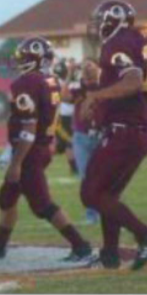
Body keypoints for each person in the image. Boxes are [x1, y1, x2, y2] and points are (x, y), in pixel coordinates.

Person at [0, 37, 92, 262]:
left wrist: (16, 162)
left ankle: (81, 246)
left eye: (23, 58)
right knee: (6, 199)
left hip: (29, 152)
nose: (18, 61)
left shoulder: (27, 83)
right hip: (40, 147)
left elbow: (28, 127)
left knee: (42, 205)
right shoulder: (50, 79)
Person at [80, 0, 147, 271]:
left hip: (124, 131)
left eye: (100, 20)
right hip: (132, 130)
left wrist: (95, 95)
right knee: (107, 194)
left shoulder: (118, 42)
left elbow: (132, 81)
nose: (96, 26)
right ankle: (109, 254)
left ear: (113, 20)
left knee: (92, 194)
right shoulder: (133, 40)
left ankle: (143, 235)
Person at [67, 60, 102, 225]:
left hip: (101, 134)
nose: (88, 74)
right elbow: (63, 96)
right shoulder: (79, 88)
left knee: (104, 177)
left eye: (90, 71)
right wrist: (68, 73)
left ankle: (108, 212)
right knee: (87, 177)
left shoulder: (104, 86)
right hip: (82, 135)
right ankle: (92, 213)